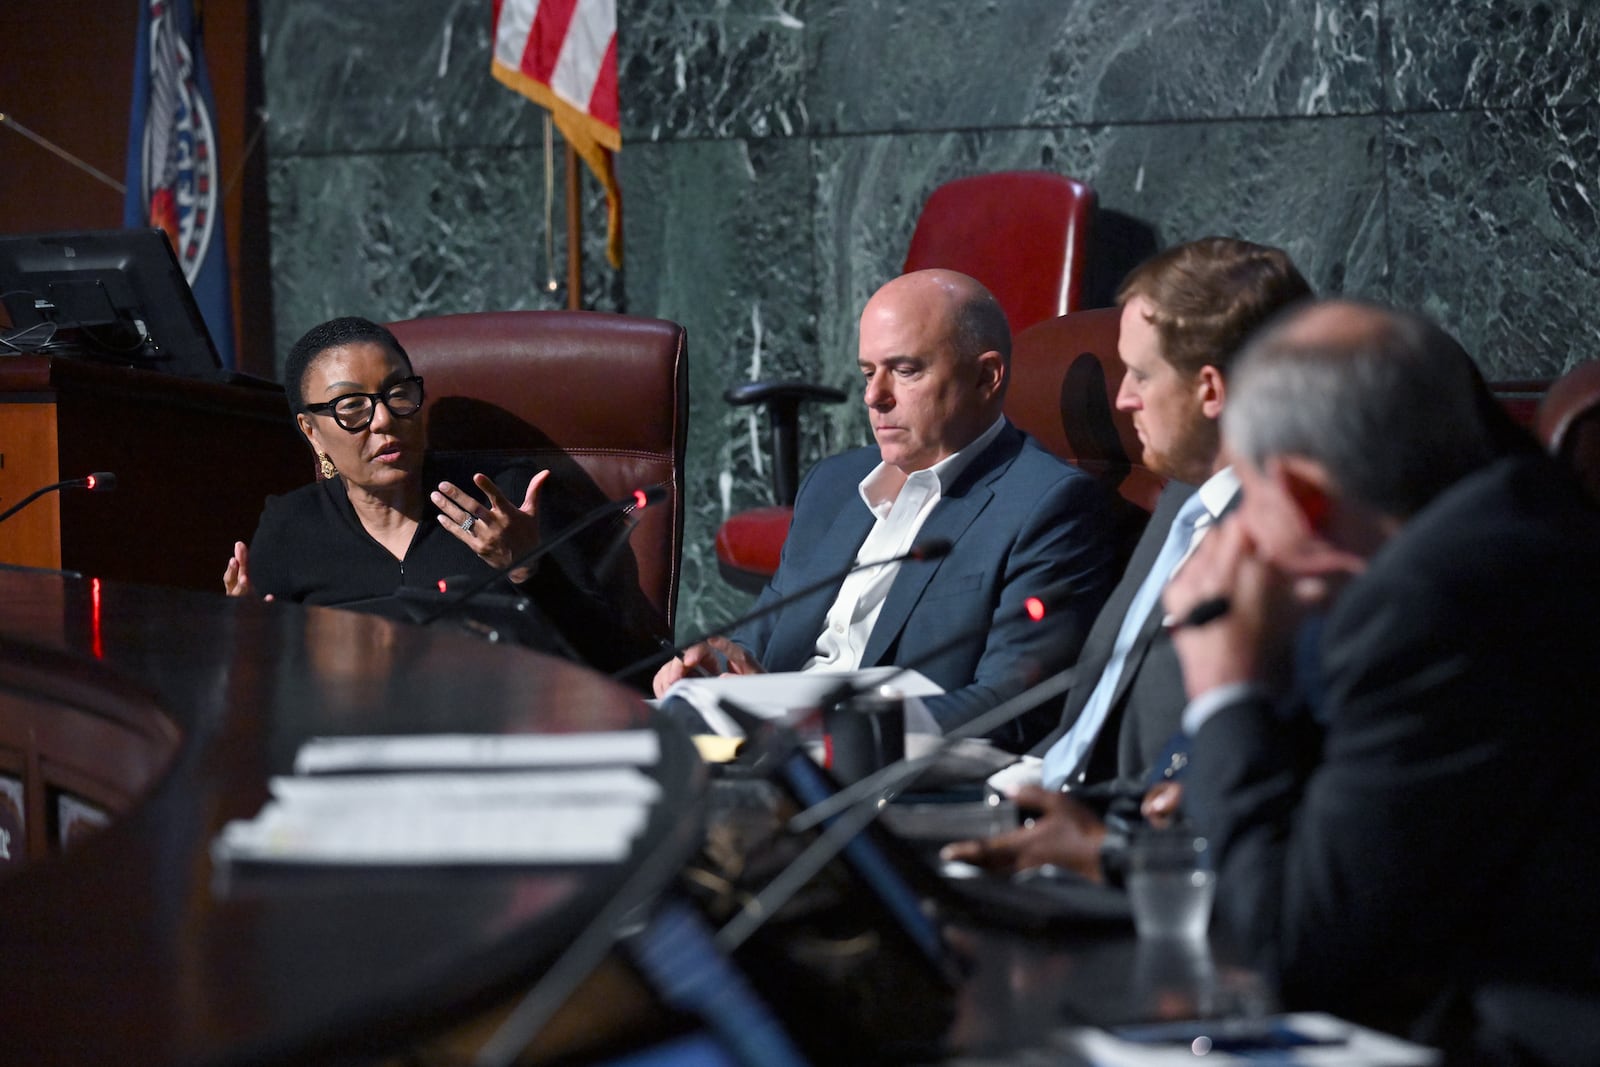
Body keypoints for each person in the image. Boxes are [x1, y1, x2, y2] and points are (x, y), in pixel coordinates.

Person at [1163, 300, 1600, 1063]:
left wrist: (1225, 687)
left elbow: (1292, 949)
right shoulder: (1519, 516)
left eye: (1248, 497)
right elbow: (1365, 838)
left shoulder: (1435, 603)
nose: (1244, 538)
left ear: (1303, 496)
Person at [943, 237, 1310, 875]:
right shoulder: (1181, 498)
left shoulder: (1285, 548)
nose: (1122, 401)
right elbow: (1090, 714)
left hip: (1141, 864)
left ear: (1210, 390)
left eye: (1141, 375)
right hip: (1036, 805)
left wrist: (1093, 844)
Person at [654, 269, 1117, 748]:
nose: (874, 397)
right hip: (759, 753)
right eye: (868, 373)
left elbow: (1014, 705)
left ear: (986, 377)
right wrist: (716, 671)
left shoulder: (1047, 505)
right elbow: (765, 639)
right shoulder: (832, 484)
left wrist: (802, 722)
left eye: (905, 370)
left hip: (882, 780)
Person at [224, 316, 663, 676]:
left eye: (398, 394)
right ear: (311, 431)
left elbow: (615, 664)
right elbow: (264, 695)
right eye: (352, 407)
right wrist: (241, 642)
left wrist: (529, 570)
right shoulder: (290, 530)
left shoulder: (504, 502)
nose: (383, 420)